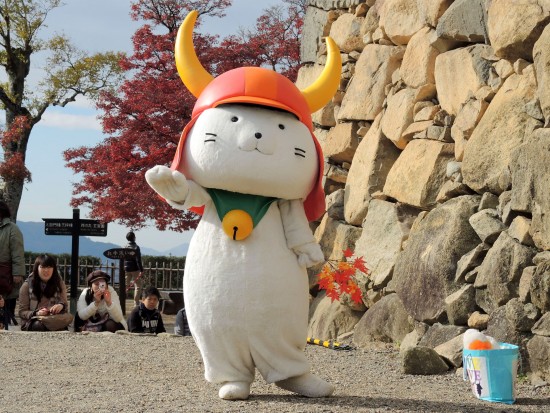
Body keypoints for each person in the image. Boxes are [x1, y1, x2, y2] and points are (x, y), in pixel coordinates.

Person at [18, 254, 73, 332]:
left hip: (53, 318)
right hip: (34, 320)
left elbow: (65, 306)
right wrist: (37, 313)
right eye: (42, 267)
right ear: (37, 268)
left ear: (54, 269)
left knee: (67, 319)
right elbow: (22, 312)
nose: (46, 270)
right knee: (38, 325)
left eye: (49, 267)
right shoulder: (26, 286)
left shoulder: (59, 284)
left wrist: (60, 306)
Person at [0, 200, 25, 326]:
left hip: (6, 272)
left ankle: (6, 323)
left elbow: (18, 253)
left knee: (8, 298)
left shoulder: (12, 229)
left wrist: (18, 273)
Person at [124, 231, 144, 307]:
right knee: (138, 285)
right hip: (135, 268)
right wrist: (141, 270)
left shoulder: (124, 247)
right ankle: (136, 303)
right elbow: (138, 260)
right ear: (134, 238)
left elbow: (123, 259)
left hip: (126, 268)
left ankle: (122, 300)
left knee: (125, 285)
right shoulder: (136, 247)